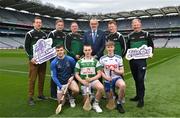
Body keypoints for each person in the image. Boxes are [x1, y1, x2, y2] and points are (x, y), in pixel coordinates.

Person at [127, 18, 154, 107]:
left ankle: (141, 99)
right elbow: (128, 49)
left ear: (140, 24)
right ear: (132, 26)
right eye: (134, 24)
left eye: (137, 24)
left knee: (140, 79)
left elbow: (151, 46)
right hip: (132, 61)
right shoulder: (130, 36)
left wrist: (151, 53)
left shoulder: (146, 34)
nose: (135, 25)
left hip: (142, 61)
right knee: (136, 79)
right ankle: (138, 96)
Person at [25, 16, 47, 105]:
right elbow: (26, 48)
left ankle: (40, 94)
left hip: (42, 60)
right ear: (33, 24)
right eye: (37, 22)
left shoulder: (44, 34)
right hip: (34, 61)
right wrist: (31, 58)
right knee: (32, 79)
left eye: (40, 22)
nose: (39, 24)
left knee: (42, 78)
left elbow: (46, 47)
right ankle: (30, 97)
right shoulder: (29, 34)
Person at [75, 44, 104, 113]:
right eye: (86, 50)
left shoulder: (95, 61)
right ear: (83, 51)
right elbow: (76, 75)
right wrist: (82, 81)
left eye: (89, 50)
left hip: (93, 80)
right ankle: (92, 96)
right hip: (84, 82)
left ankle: (96, 104)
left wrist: (91, 79)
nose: (87, 52)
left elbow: (99, 74)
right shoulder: (79, 62)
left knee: (101, 88)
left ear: (91, 51)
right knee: (86, 102)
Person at [100, 41, 126, 113]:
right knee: (110, 98)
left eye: (111, 47)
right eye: (108, 47)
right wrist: (106, 77)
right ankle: (114, 96)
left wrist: (115, 70)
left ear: (114, 48)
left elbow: (122, 71)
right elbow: (100, 72)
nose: (110, 49)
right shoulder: (102, 59)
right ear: (106, 48)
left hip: (117, 78)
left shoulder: (119, 58)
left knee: (123, 85)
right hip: (107, 79)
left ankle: (119, 103)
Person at [48, 19, 66, 100]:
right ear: (56, 25)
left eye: (61, 25)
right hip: (53, 58)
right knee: (54, 75)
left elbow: (64, 46)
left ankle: (61, 91)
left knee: (61, 75)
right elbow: (48, 46)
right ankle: (53, 94)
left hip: (62, 57)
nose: (60, 26)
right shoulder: (52, 33)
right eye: (59, 25)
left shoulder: (64, 34)